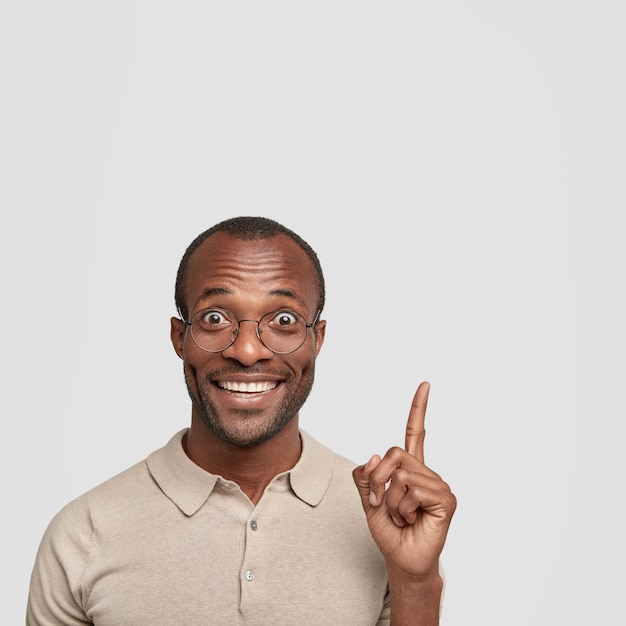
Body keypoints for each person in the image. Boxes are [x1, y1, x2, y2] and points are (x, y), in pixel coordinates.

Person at [27, 216, 456, 625]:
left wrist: (415, 583)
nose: (248, 351)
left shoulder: (385, 520)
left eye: (284, 320)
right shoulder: (83, 531)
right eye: (216, 318)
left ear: (317, 340)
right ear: (180, 338)